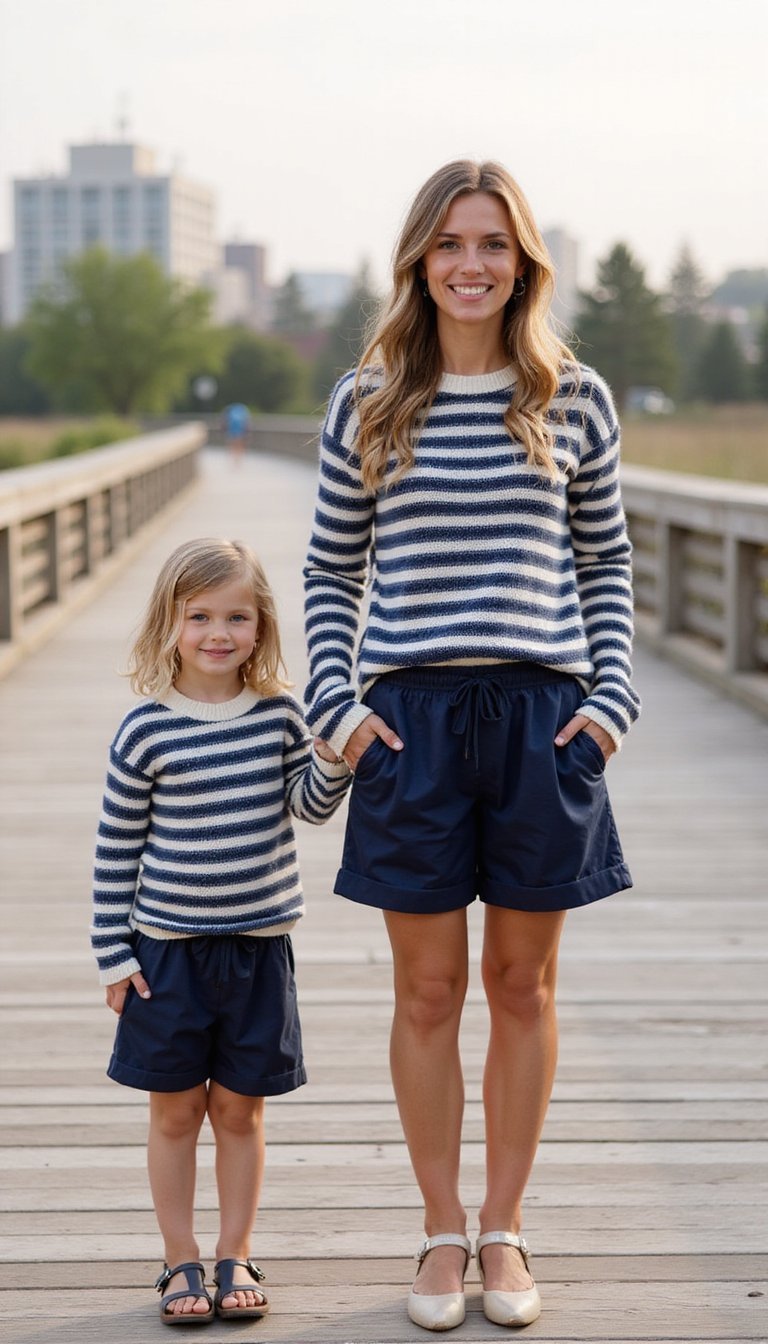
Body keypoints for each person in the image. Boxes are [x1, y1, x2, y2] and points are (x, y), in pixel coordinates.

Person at [303, 160, 640, 1332]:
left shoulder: (574, 398)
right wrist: (338, 710)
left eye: (493, 243)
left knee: (522, 983)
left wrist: (611, 706)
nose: (471, 264)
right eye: (449, 243)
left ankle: (505, 1230)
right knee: (432, 988)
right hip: (414, 725)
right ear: (418, 262)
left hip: (547, 722)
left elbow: (606, 564)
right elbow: (328, 571)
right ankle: (440, 1229)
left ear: (524, 262)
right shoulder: (369, 402)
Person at [91, 537, 350, 1326]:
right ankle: (180, 1258)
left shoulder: (279, 715)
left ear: (261, 626)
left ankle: (235, 1252)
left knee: (240, 1111)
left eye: (237, 616)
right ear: (169, 624)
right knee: (174, 1113)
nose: (217, 633)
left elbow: (307, 807)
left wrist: (334, 760)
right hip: (166, 955)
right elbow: (115, 850)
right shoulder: (146, 730)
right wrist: (113, 952)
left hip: (260, 951)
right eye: (199, 615)